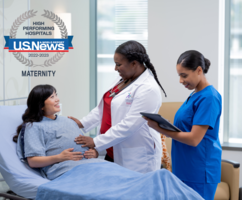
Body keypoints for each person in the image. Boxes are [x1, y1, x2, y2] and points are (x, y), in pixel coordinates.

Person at [70, 40, 166, 173]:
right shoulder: (124, 78)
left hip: (135, 155)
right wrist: (82, 123)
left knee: (134, 192)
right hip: (112, 148)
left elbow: (129, 125)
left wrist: (96, 141)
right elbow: (105, 108)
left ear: (134, 64)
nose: (115, 69)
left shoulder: (148, 88)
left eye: (118, 64)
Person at [143, 50, 222, 200]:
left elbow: (194, 139)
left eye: (184, 75)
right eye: (179, 75)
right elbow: (184, 128)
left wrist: (160, 129)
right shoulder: (194, 94)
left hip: (199, 170)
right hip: (184, 167)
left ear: (199, 70)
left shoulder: (209, 97)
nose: (180, 80)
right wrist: (163, 125)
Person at [13, 85, 106, 180]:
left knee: (112, 172)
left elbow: (85, 144)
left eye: (56, 95)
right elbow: (33, 162)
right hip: (63, 168)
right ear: (40, 105)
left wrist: (94, 152)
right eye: (52, 97)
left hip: (91, 163)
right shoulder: (34, 126)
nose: (57, 99)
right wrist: (60, 157)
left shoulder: (69, 121)